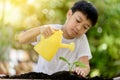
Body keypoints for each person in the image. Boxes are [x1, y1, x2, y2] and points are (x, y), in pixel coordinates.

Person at [18, 0, 98, 77]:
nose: (79, 28)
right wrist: (40, 29)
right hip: (42, 77)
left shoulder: (81, 40)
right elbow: (21, 38)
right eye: (78, 20)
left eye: (85, 27)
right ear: (69, 14)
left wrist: (82, 70)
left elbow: (85, 65)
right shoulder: (51, 30)